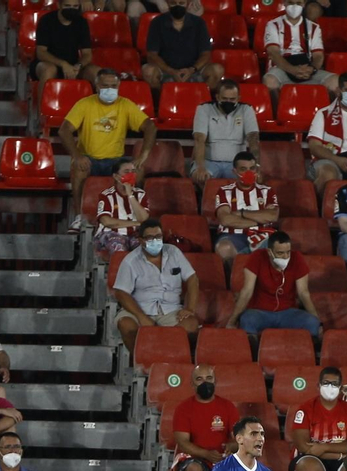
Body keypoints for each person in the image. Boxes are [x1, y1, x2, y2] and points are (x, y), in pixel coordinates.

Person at [60, 69, 155, 233]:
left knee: (137, 171)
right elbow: (64, 130)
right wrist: (77, 155)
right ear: (97, 86)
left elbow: (150, 127)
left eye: (113, 86)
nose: (109, 89)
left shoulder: (125, 104)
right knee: (78, 167)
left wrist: (142, 157)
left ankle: (133, 215)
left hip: (115, 161)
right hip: (89, 159)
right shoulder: (85, 104)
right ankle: (79, 216)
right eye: (105, 85)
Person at [111, 218, 201, 357]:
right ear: (141, 240)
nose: (155, 241)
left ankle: (170, 359)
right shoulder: (130, 261)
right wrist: (141, 317)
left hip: (171, 309)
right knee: (126, 326)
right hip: (140, 309)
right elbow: (121, 293)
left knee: (191, 325)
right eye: (150, 238)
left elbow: (192, 278)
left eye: (158, 237)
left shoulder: (174, 252)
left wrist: (190, 309)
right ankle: (142, 361)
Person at [222, 231, 323, 341]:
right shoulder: (257, 257)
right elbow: (247, 291)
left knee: (311, 322)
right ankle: (253, 354)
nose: (285, 257)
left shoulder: (297, 258)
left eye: (288, 252)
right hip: (260, 312)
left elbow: (303, 293)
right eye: (280, 253)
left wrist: (318, 322)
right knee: (247, 319)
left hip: (288, 312)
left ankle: (311, 355)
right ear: (270, 252)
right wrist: (232, 321)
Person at [290, 364, 347, 471]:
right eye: (326, 383)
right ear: (318, 386)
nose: (330, 387)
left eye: (335, 384)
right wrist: (338, 454)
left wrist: (325, 448)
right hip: (312, 458)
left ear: (340, 388)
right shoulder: (305, 409)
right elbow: (303, 445)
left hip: (342, 459)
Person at [170, 364, 238, 471]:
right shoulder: (183, 409)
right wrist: (206, 454)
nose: (205, 382)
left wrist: (231, 447)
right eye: (199, 379)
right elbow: (183, 443)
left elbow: (238, 438)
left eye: (209, 378)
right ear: (192, 384)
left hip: (223, 458)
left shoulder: (228, 406)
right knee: (193, 469)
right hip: (194, 458)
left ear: (215, 381)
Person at [189, 80, 259, 186]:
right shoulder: (204, 109)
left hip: (236, 163)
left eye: (232, 99)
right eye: (224, 99)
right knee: (201, 177)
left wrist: (257, 167)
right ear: (217, 97)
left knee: (249, 180)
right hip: (209, 161)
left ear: (238, 98)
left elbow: (253, 139)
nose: (228, 102)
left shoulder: (246, 109)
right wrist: (201, 167)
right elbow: (199, 139)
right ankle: (208, 202)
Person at [211, 153, 275, 267]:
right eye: (243, 169)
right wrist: (258, 221)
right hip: (232, 235)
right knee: (224, 248)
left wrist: (241, 213)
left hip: (263, 235)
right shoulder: (224, 192)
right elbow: (225, 219)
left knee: (282, 245)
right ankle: (234, 281)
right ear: (234, 172)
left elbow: (272, 216)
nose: (249, 173)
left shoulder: (267, 191)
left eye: (252, 168)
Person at [141, 1, 220, 90]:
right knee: (148, 71)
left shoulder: (199, 23)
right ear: (168, 3)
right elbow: (152, 55)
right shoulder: (157, 23)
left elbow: (206, 53)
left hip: (194, 70)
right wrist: (171, 71)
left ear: (187, 4)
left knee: (217, 70)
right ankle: (159, 101)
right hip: (165, 70)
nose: (177, 6)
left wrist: (191, 70)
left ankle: (205, 100)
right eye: (173, 3)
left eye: (181, 3)